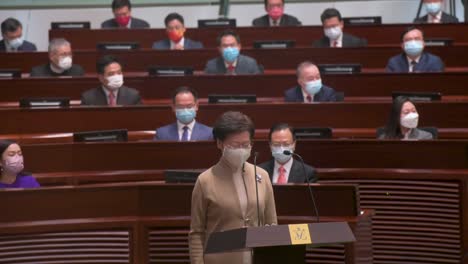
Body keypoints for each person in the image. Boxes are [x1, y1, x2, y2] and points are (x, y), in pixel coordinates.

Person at [189, 111, 277, 264]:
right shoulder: (205, 181)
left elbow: (272, 224)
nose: (241, 150)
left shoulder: (262, 176)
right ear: (219, 143)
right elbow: (197, 233)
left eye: (245, 145)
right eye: (235, 145)